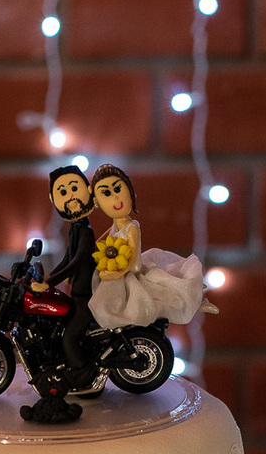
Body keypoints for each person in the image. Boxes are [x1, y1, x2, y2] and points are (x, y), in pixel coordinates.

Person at [87, 164, 214, 331]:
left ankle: (194, 303)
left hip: (129, 274)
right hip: (117, 271)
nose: (116, 198)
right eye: (106, 193)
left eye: (118, 189)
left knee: (147, 302)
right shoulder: (115, 224)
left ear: (130, 191)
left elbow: (135, 263)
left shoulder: (132, 228)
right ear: (96, 202)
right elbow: (101, 242)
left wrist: (116, 273)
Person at [35, 165, 98, 386]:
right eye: (62, 192)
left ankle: (82, 372)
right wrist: (48, 280)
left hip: (88, 298)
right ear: (53, 199)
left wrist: (50, 282)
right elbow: (67, 259)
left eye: (74, 188)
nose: (70, 196)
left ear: (88, 190)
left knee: (68, 337)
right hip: (78, 295)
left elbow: (78, 261)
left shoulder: (86, 231)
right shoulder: (75, 229)